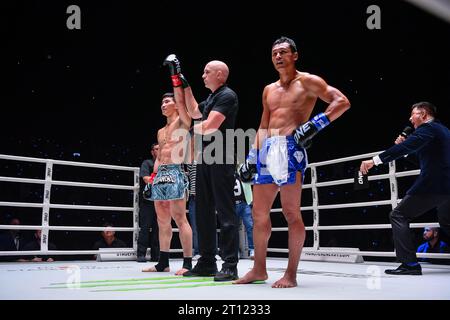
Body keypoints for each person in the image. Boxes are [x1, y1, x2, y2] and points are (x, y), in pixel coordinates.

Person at [235, 36, 350, 288]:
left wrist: (314, 125)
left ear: (294, 55)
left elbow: (342, 102)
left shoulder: (308, 81)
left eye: (283, 52)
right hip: (267, 149)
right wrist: (251, 157)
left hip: (291, 148)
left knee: (290, 212)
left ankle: (291, 274)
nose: (278, 56)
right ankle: (259, 270)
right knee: (258, 212)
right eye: (274, 52)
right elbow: (264, 125)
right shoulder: (268, 89)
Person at [165, 54, 240, 281]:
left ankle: (229, 264)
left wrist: (187, 133)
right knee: (203, 210)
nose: (203, 75)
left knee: (225, 211)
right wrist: (182, 82)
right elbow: (194, 111)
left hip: (221, 156)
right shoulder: (212, 98)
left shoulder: (227, 95)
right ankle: (207, 261)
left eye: (207, 71)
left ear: (220, 74)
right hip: (204, 158)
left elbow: (209, 126)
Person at [360, 102, 450, 275]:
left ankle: (409, 265)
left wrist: (374, 160)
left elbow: (404, 147)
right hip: (445, 185)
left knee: (398, 214)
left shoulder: (429, 129)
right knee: (447, 222)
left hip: (435, 184)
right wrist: (407, 149)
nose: (410, 119)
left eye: (413, 114)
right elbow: (423, 159)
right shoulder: (442, 130)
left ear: (423, 114)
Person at [141, 88, 193, 275]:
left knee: (180, 218)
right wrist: (152, 179)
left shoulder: (183, 121)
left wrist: (176, 81)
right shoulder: (160, 131)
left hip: (176, 171)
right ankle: (163, 262)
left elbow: (186, 106)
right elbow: (158, 158)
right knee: (162, 220)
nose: (163, 105)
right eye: (162, 103)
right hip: (160, 175)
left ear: (176, 104)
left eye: (167, 102)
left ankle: (188, 263)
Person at [137, 143, 160, 262]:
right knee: (145, 227)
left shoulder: (165, 165)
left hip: (161, 201)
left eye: (160, 149)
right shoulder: (147, 163)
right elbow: (146, 178)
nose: (159, 151)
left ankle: (156, 255)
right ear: (152, 152)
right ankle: (141, 254)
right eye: (156, 149)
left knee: (158, 229)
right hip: (147, 201)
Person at [234, 166, 255, 259]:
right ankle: (235, 251)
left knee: (250, 226)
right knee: (232, 228)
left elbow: (250, 179)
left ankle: (253, 249)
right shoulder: (225, 171)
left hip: (244, 203)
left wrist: (251, 200)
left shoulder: (242, 169)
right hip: (232, 204)